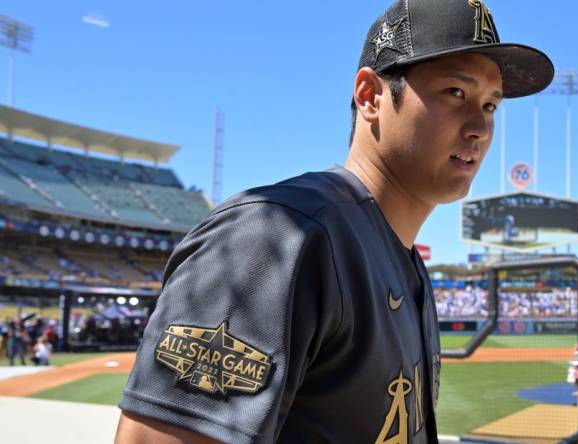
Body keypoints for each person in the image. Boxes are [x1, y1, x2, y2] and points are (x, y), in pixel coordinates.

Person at [114, 0, 553, 442]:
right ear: (370, 96)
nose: (479, 126)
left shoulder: (401, 259)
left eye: (491, 105)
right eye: (455, 93)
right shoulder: (279, 234)